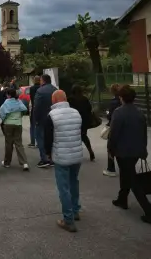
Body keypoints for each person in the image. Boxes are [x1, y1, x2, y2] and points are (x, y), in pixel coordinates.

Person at [108, 85, 151, 224]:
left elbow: (113, 134)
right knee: (127, 174)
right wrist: (143, 149)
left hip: (123, 151)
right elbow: (144, 133)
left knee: (132, 179)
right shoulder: (139, 112)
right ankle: (122, 199)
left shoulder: (118, 112)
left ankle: (149, 211)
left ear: (121, 97)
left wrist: (110, 150)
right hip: (136, 151)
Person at [44, 90, 83, 233]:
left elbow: (48, 138)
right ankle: (75, 210)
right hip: (76, 154)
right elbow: (80, 132)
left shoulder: (52, 116)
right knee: (74, 182)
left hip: (61, 156)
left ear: (54, 101)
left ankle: (68, 220)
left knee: (64, 188)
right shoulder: (76, 113)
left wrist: (48, 154)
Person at [0, 89, 29, 171]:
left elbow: (1, 112)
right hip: (18, 124)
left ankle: (7, 162)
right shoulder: (18, 101)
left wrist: (4, 120)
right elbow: (24, 109)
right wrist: (20, 116)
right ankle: (24, 163)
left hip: (8, 124)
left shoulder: (6, 102)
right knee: (19, 143)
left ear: (8, 95)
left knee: (9, 143)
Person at [33, 74, 57, 168]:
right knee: (52, 138)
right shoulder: (55, 89)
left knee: (40, 138)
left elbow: (37, 107)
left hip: (43, 119)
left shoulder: (40, 91)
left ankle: (44, 159)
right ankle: (51, 158)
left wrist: (36, 119)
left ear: (43, 81)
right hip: (54, 118)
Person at [68, 85, 95, 162]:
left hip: (73, 120)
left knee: (73, 137)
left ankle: (74, 154)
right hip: (84, 121)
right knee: (84, 136)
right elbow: (89, 108)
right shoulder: (84, 99)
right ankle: (90, 150)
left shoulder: (70, 99)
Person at [103, 84, 121, 177]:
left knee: (110, 147)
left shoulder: (113, 102)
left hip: (113, 127)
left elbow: (110, 116)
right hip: (123, 128)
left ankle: (111, 168)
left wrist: (107, 113)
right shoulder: (122, 101)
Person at [28, 75, 41, 148]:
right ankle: (39, 142)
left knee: (32, 126)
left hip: (34, 108)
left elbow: (31, 98)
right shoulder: (41, 88)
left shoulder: (32, 88)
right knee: (40, 126)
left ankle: (33, 141)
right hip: (41, 109)